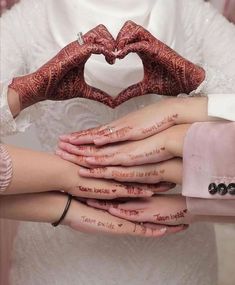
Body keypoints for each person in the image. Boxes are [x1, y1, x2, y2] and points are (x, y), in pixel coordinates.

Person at [1, 0, 235, 284]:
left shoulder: (193, 16)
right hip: (59, 251)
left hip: (175, 248)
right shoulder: (29, 19)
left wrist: (201, 83)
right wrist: (23, 94)